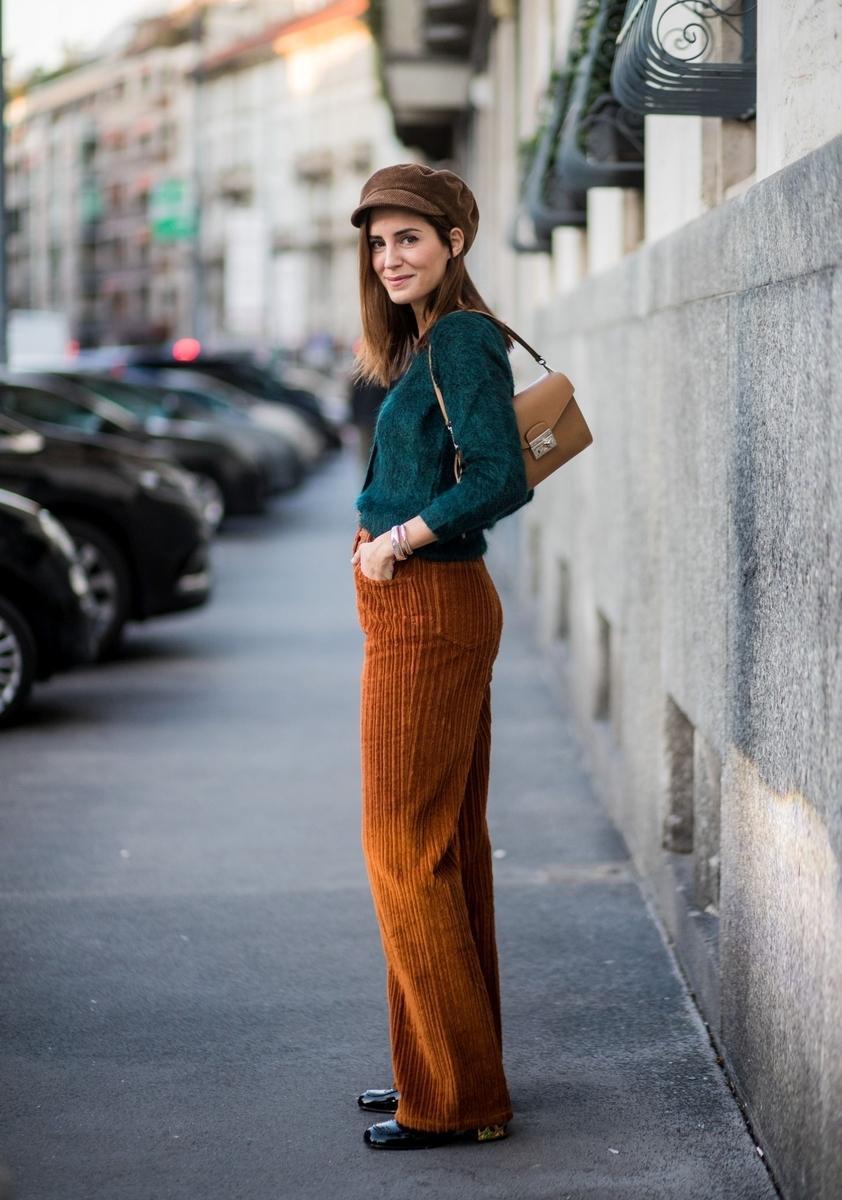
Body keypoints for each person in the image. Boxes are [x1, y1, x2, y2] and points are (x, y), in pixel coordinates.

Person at [348, 163, 532, 1151]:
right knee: (441, 847)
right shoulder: (429, 339)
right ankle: (447, 1068)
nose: (389, 258)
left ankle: (456, 1095)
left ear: (453, 240)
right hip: (420, 607)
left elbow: (500, 477)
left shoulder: (460, 336)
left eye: (407, 238)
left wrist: (400, 539)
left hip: (426, 606)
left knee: (400, 850)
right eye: (377, 243)